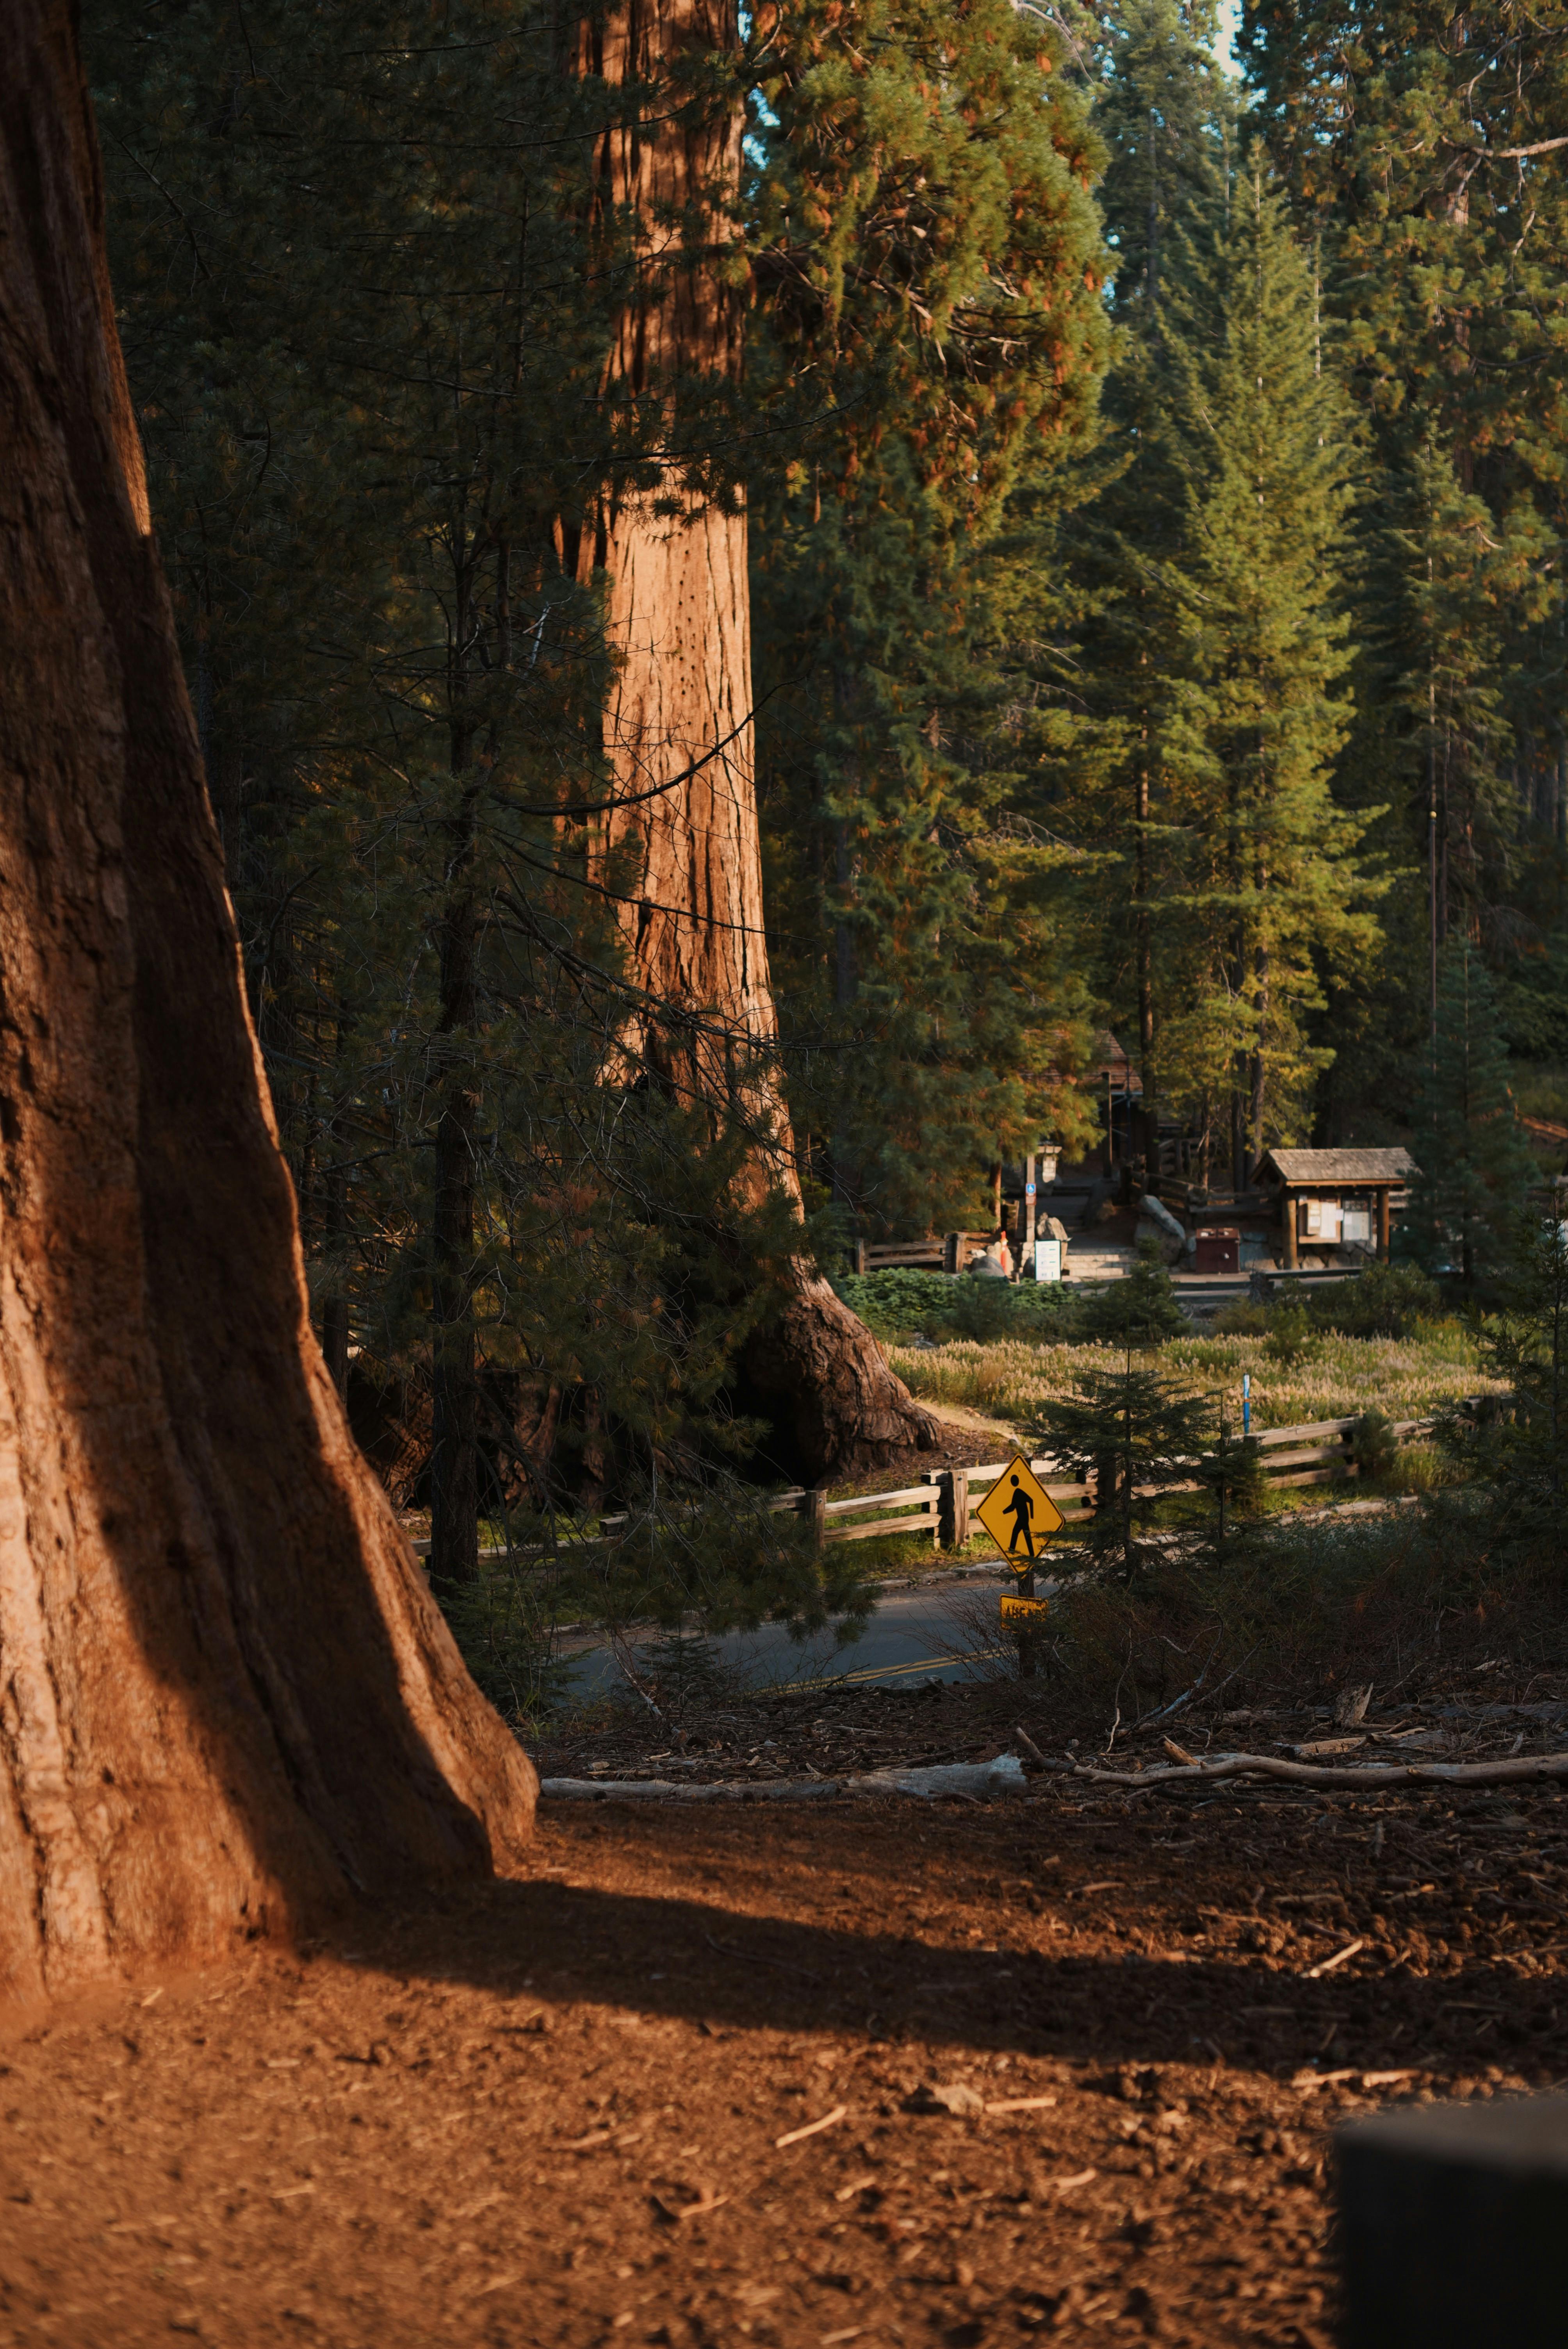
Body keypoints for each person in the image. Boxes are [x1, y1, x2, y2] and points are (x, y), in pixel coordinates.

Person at [1003, 1473, 1035, 1561]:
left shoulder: (1019, 1492)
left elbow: (1031, 1500)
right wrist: (1003, 1512)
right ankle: (1031, 1554)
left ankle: (1012, 1552)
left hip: (1023, 1518)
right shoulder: (1017, 1492)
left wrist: (1032, 1516)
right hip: (1022, 1517)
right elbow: (1013, 1507)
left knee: (1017, 1533)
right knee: (1025, 1535)